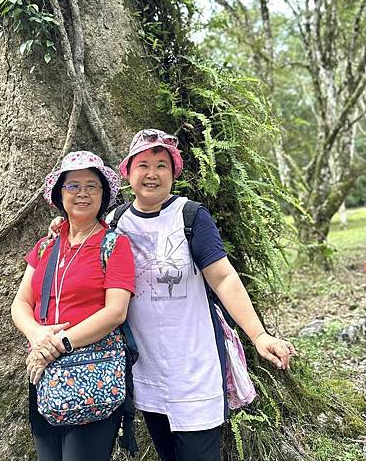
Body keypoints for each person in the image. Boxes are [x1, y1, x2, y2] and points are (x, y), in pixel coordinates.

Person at [48, 130, 296, 461]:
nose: (152, 174)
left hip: (195, 367)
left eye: (162, 165)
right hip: (146, 370)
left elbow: (223, 278)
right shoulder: (114, 222)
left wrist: (259, 334)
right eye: (144, 165)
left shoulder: (190, 216)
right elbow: (80, 244)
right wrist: (60, 226)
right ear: (128, 172)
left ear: (174, 172)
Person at [11, 151, 135, 461]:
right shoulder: (45, 246)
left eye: (92, 186)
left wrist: (58, 343)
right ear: (59, 194)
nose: (82, 193)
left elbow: (115, 312)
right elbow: (21, 303)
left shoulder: (114, 245)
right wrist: (38, 336)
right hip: (43, 372)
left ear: (104, 195)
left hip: (93, 371)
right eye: (73, 186)